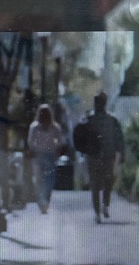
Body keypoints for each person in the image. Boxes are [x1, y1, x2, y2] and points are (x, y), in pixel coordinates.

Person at [75, 92, 124, 224]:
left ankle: (98, 211)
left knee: (96, 184)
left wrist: (82, 151)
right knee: (106, 182)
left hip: (95, 156)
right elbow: (119, 139)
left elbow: (80, 136)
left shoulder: (89, 120)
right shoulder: (111, 120)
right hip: (106, 155)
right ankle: (103, 206)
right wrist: (120, 153)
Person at [26, 104, 64, 214]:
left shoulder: (55, 127)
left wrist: (57, 151)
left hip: (50, 155)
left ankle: (45, 201)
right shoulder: (34, 126)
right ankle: (41, 201)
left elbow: (60, 141)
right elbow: (30, 140)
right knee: (40, 179)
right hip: (38, 155)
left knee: (48, 180)